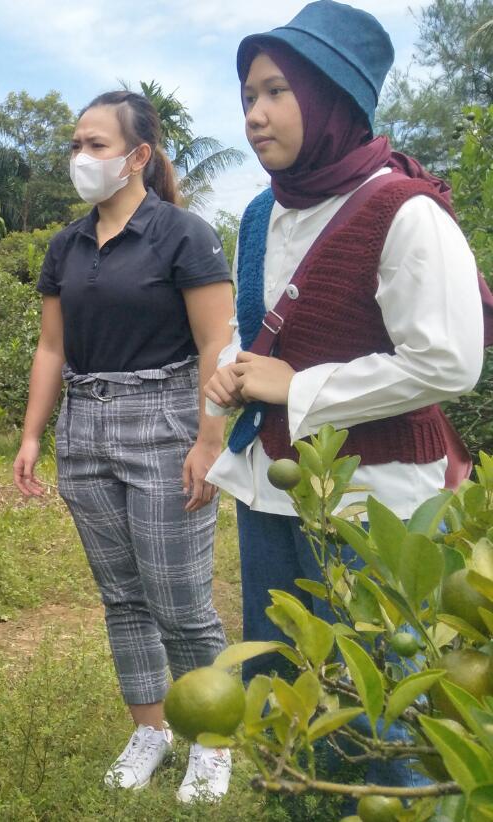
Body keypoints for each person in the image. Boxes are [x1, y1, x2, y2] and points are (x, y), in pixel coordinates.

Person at [205, 0, 484, 788]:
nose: (255, 115)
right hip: (268, 487)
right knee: (282, 682)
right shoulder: (263, 211)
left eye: (274, 92)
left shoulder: (406, 211)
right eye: (247, 97)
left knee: (374, 698)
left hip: (372, 497)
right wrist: (233, 369)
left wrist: (302, 389)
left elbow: (450, 361)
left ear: (333, 97)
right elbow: (256, 322)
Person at [12, 91, 236, 802]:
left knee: (179, 597)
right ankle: (150, 729)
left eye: (97, 145)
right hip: (86, 423)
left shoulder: (183, 236)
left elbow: (215, 346)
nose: (82, 157)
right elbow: (52, 347)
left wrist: (208, 440)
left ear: (139, 156)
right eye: (77, 144)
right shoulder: (66, 246)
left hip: (166, 418)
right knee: (123, 596)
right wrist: (31, 434)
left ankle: (214, 738)